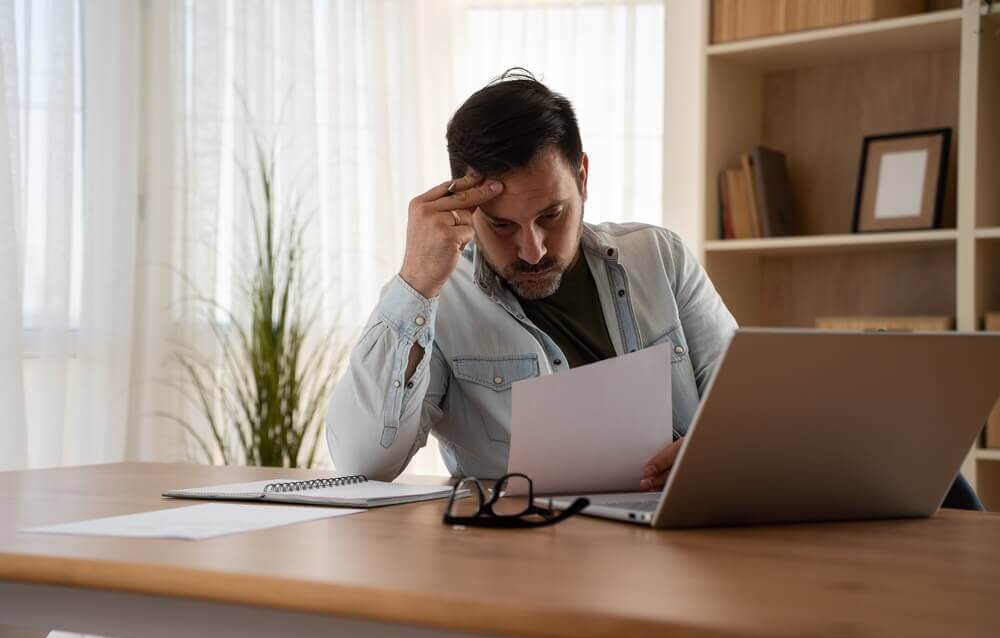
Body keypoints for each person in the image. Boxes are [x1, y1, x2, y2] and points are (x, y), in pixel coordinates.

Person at [326, 69, 982, 510]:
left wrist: (711, 447)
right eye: (502, 225)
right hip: (538, 555)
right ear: (463, 206)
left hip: (683, 531)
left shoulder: (656, 256)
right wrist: (415, 287)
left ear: (583, 177)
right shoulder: (440, 303)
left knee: (935, 483)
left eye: (551, 215)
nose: (531, 249)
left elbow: (744, 401)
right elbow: (363, 462)